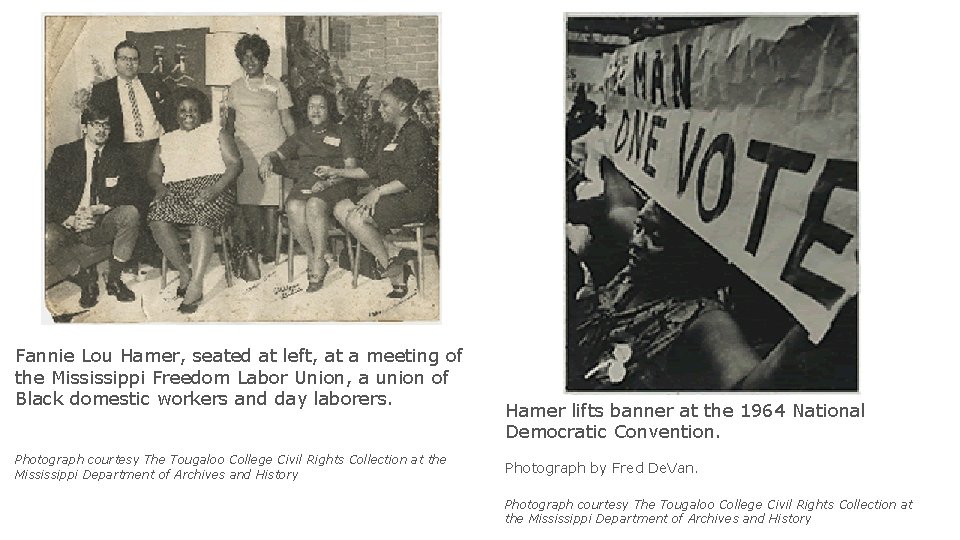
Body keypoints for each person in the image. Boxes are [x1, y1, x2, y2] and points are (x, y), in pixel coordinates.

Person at [569, 198, 809, 391]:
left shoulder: (706, 320)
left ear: (690, 253)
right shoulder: (637, 269)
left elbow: (746, 388)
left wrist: (811, 324)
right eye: (639, 227)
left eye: (656, 238)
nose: (637, 241)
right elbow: (621, 208)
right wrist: (606, 143)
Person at [332, 77, 438, 298]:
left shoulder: (417, 133)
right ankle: (394, 257)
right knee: (340, 207)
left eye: (385, 104)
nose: (380, 109)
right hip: (390, 197)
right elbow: (371, 170)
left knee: (355, 218)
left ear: (402, 105)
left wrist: (377, 192)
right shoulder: (388, 133)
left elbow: (413, 177)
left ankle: (395, 275)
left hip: (415, 199)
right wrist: (336, 172)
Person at [147, 88, 243, 314]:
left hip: (213, 188)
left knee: (201, 220)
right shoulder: (166, 139)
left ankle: (196, 285)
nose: (188, 114)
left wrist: (215, 189)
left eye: (193, 110)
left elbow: (235, 164)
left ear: (201, 113)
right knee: (156, 216)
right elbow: (153, 171)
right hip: (176, 190)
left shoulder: (216, 132)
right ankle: (184, 271)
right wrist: (160, 188)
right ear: (175, 113)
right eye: (182, 110)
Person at [260, 87, 361, 291]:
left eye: (321, 107)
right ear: (306, 110)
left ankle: (318, 259)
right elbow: (277, 154)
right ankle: (314, 256)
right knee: (294, 206)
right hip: (307, 183)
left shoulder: (343, 133)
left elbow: (350, 168)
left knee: (314, 205)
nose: (315, 111)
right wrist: (266, 158)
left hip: (336, 182)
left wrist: (329, 180)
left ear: (329, 109)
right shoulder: (301, 136)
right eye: (311, 107)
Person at [45, 106, 140, 308]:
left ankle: (114, 279)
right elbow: (47, 195)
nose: (101, 130)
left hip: (101, 221)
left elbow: (131, 191)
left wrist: (101, 208)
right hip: (70, 221)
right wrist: (69, 218)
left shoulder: (118, 156)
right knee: (46, 238)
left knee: (130, 214)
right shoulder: (64, 154)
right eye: (95, 124)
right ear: (85, 128)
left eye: (106, 125)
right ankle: (86, 281)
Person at [89, 40, 174, 265]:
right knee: (134, 202)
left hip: (156, 147)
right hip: (124, 152)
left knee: (158, 199)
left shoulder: (152, 81)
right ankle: (136, 255)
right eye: (124, 59)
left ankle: (159, 252)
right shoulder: (102, 89)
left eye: (134, 59)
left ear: (139, 62)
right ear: (116, 62)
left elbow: (172, 107)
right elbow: (96, 123)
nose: (129, 63)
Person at [226, 34, 296, 265]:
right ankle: (256, 241)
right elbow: (229, 122)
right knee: (249, 199)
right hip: (245, 149)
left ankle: (270, 244)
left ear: (263, 59)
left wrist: (294, 146)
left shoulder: (277, 86)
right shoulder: (234, 88)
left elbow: (287, 120)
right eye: (245, 57)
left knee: (271, 199)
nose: (250, 62)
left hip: (272, 146)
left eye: (255, 57)